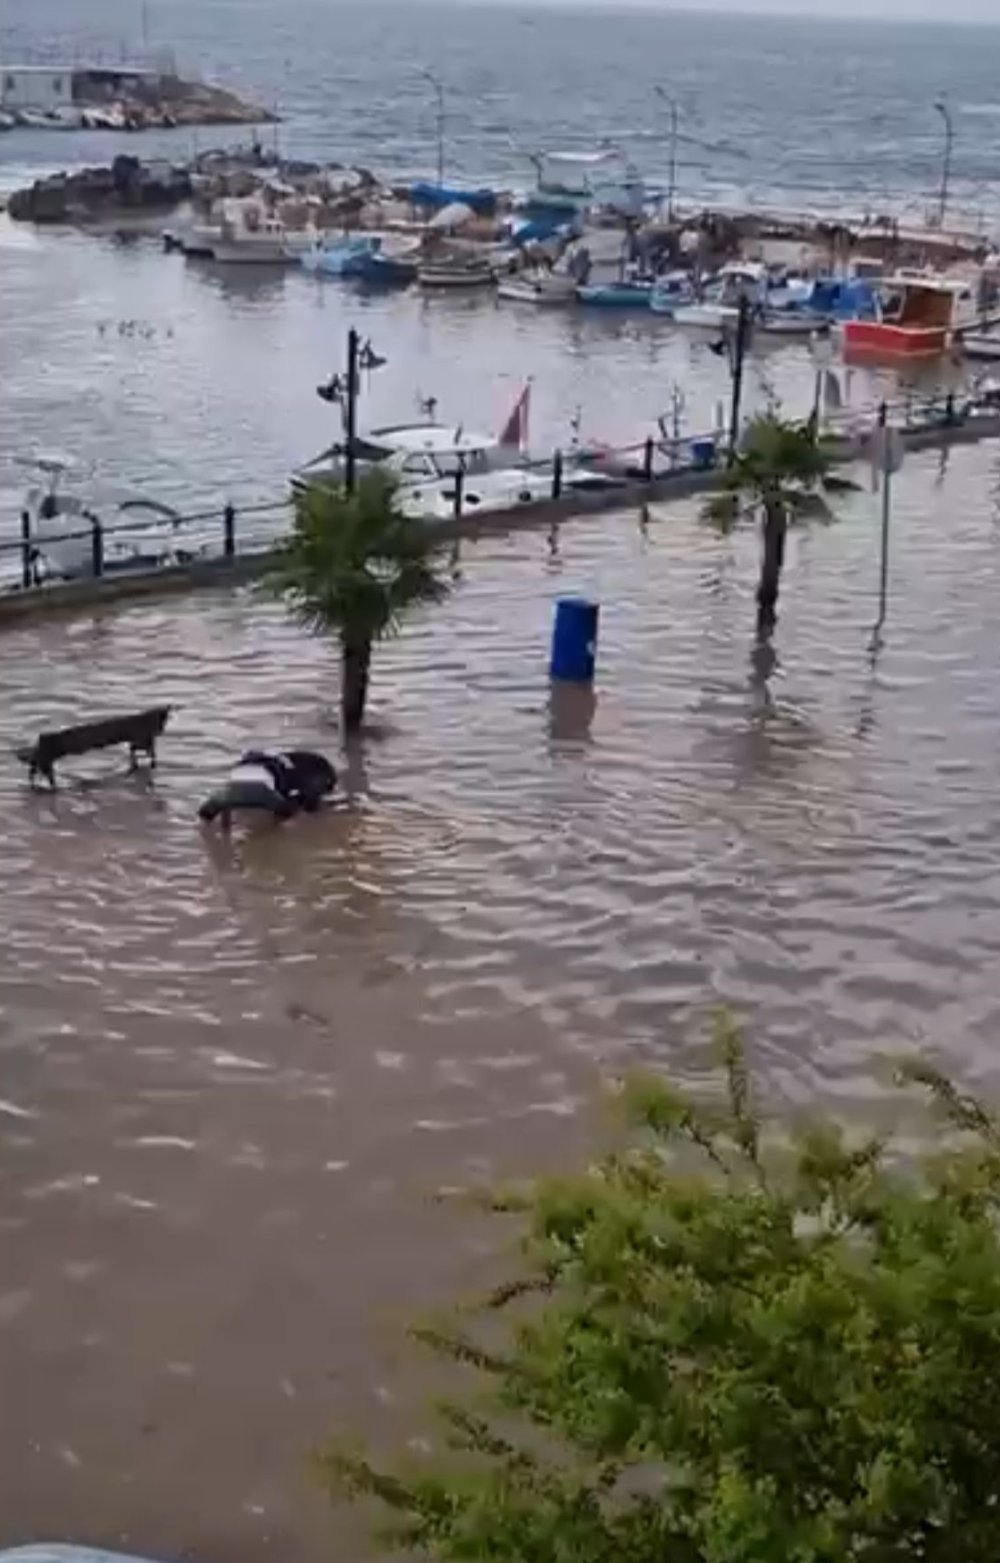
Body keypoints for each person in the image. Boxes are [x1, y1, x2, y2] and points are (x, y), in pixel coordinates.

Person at [198, 748, 336, 828]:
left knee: (211, 814)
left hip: (237, 781)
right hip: (266, 788)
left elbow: (206, 814)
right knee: (287, 815)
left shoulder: (276, 760)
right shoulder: (317, 771)